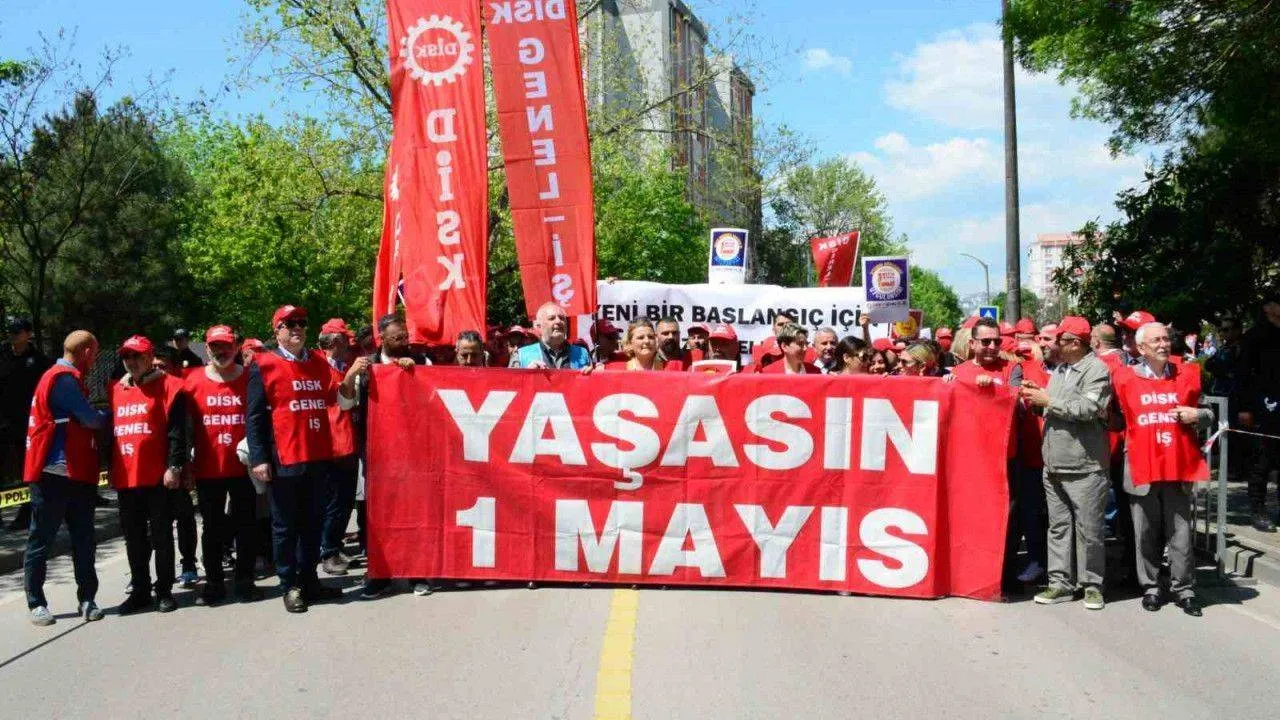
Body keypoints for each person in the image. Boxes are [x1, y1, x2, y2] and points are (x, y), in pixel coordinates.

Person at [246, 305, 352, 613]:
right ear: (277, 330)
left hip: (319, 456)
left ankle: (309, 581)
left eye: (301, 323)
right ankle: (289, 585)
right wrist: (259, 458)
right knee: (285, 527)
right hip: (285, 459)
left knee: (313, 523)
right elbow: (254, 417)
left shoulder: (319, 362)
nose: (297, 328)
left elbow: (341, 399)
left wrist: (353, 379)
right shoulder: (263, 364)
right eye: (289, 323)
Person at [1113, 322, 1209, 616]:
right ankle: (1151, 588)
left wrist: (1197, 414)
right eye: (1156, 340)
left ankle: (1185, 590)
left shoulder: (1187, 374)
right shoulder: (1123, 378)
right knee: (1145, 533)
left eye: (1166, 339)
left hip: (1177, 466)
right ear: (1141, 348)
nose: (1163, 344)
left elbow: (1209, 413)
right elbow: (1113, 417)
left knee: (1180, 533)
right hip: (1141, 467)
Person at [1020, 317, 1113, 610]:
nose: (1050, 344)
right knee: (1058, 528)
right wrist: (1036, 397)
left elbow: (1089, 408)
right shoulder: (1061, 370)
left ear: (1074, 343)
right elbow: (1054, 408)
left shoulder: (1096, 370)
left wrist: (1047, 400)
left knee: (1089, 530)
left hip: (1085, 467)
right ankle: (1060, 583)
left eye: (1058, 339)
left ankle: (1092, 586)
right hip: (1055, 464)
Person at [22, 331, 108, 626]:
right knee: (43, 540)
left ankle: (87, 599)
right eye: (95, 354)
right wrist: (111, 415)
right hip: (56, 475)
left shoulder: (59, 377)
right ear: (87, 352)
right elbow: (90, 419)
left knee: (83, 540)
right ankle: (37, 603)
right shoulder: (64, 379)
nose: (94, 361)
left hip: (74, 473)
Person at [347, 313, 429, 599]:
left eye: (405, 336)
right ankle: (380, 575)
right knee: (378, 514)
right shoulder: (366, 367)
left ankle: (417, 573)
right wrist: (351, 375)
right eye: (397, 338)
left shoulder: (421, 361)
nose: (403, 342)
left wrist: (416, 375)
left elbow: (434, 399)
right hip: (377, 452)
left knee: (414, 511)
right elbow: (345, 402)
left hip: (414, 451)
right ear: (382, 339)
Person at [110, 335, 189, 615]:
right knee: (134, 538)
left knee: (161, 535)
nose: (131, 361)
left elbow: (178, 432)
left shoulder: (170, 386)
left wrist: (174, 466)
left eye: (137, 356)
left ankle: (164, 590)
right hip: (126, 477)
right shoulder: (116, 390)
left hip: (158, 476)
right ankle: (140, 590)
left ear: (149, 357)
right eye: (127, 357)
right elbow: (112, 433)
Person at [185, 326, 261, 604]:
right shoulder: (192, 380)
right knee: (213, 527)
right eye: (215, 346)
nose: (221, 351)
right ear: (207, 349)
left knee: (246, 525)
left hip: (244, 468)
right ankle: (214, 582)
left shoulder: (250, 378)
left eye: (226, 345)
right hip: (208, 468)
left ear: (236, 347)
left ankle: (245, 580)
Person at [151, 345, 200, 587]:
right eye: (154, 366)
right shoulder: (146, 390)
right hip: (152, 469)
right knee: (157, 523)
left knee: (184, 515)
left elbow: (189, 434)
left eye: (163, 366)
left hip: (178, 464)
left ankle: (189, 564)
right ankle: (159, 575)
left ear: (175, 368)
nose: (158, 370)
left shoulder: (183, 392)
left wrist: (186, 467)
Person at [317, 319, 360, 578]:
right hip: (332, 442)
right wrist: (352, 374)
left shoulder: (343, 364)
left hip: (348, 440)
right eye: (345, 340)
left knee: (345, 500)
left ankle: (335, 544)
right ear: (334, 341)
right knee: (333, 501)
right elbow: (341, 398)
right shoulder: (319, 366)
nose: (350, 345)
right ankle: (328, 551)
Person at [1, 316, 51, 532]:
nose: (12, 335)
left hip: (26, 424)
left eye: (17, 331)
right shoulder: (2, 355)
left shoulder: (39, 361)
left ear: (28, 334)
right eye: (10, 331)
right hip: (3, 422)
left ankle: (27, 513)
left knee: (27, 469)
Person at [1241, 293, 1280, 531]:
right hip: (1263, 405)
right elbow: (1245, 374)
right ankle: (1258, 509)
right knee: (1262, 460)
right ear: (1268, 308)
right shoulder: (1255, 336)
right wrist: (1245, 407)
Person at [515, 303, 592, 369]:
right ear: (539, 326)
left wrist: (592, 374)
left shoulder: (582, 353)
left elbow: (592, 381)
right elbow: (511, 381)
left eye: (562, 318)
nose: (558, 321)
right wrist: (527, 375)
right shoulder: (522, 355)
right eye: (551, 318)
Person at [605, 319, 685, 372]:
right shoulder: (613, 369)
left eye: (650, 337)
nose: (647, 341)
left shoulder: (675, 368)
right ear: (630, 343)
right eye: (640, 338)